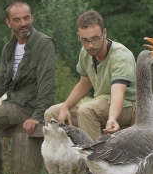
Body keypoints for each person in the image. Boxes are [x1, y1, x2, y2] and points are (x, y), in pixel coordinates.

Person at [0, 1, 56, 174]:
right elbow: (0, 82)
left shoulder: (43, 43)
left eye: (26, 18)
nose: (23, 23)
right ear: (9, 23)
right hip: (12, 104)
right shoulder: (9, 48)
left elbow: (47, 84)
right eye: (17, 20)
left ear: (31, 18)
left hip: (27, 108)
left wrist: (37, 116)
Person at [44, 10, 135, 143]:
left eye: (95, 38)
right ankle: (62, 161)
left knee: (86, 110)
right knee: (52, 114)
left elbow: (118, 93)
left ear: (104, 33)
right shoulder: (85, 52)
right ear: (79, 36)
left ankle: (93, 161)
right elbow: (84, 83)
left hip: (127, 106)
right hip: (100, 102)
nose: (90, 45)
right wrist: (65, 107)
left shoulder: (120, 56)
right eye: (84, 40)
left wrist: (112, 118)